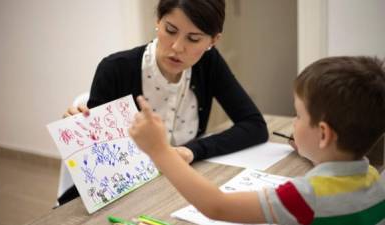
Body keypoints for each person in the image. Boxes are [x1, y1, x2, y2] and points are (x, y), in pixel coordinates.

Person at [129, 56, 385, 225]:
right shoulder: (375, 180)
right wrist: (314, 151)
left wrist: (159, 150)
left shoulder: (304, 196)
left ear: (324, 134)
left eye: (298, 115)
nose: (293, 123)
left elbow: (217, 207)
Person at [59, 0, 268, 205]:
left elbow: (255, 126)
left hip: (175, 189)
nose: (177, 47)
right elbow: (97, 167)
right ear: (158, 21)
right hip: (122, 194)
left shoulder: (208, 63)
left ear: (213, 41)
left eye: (193, 39)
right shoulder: (115, 69)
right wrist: (81, 131)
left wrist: (192, 150)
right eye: (170, 30)